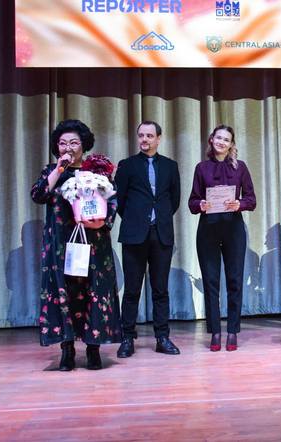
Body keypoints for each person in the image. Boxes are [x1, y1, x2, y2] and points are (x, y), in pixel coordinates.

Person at [31, 119, 121, 371]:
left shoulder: (97, 172)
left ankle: (94, 349)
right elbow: (38, 195)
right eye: (62, 143)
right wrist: (58, 170)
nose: (67, 147)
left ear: (83, 145)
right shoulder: (52, 171)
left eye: (73, 142)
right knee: (65, 292)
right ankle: (67, 349)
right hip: (61, 243)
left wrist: (101, 221)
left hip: (94, 242)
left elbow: (113, 201)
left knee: (94, 291)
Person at [115, 121, 181, 358]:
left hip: (161, 234)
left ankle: (162, 337)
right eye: (141, 135)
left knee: (160, 289)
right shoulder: (127, 165)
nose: (145, 139)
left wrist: (158, 219)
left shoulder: (170, 166)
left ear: (158, 139)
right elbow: (119, 201)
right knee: (132, 290)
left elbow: (174, 199)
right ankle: (127, 338)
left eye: (149, 136)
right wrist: (137, 219)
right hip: (134, 234)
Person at [188, 125, 256, 352]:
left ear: (231, 144)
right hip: (207, 230)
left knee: (235, 281)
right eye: (218, 138)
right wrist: (200, 204)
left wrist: (240, 204)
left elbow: (251, 199)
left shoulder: (240, 167)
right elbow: (192, 202)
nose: (221, 142)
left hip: (233, 230)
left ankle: (233, 331)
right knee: (211, 282)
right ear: (211, 139)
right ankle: (215, 331)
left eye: (226, 140)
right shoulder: (201, 168)